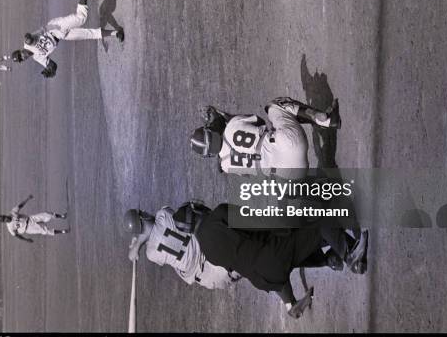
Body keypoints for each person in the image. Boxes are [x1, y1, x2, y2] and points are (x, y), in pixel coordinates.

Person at [194, 203, 368, 318]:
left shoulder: (208, 253)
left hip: (261, 279)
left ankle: (290, 304)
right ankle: (350, 257)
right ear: (198, 211)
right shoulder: (218, 214)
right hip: (273, 256)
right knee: (319, 223)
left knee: (289, 251)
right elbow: (258, 221)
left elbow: (239, 264)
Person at [190, 97, 341, 179]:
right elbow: (260, 122)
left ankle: (320, 186)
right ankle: (324, 119)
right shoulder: (231, 127)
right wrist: (224, 117)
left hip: (293, 174)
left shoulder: (225, 165)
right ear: (210, 130)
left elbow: (247, 174)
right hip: (292, 142)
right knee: (274, 106)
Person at [11, 0, 124, 79]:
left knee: (81, 18)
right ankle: (116, 33)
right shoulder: (37, 58)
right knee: (89, 35)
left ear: (20, 50)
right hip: (61, 36)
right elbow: (53, 65)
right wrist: (51, 71)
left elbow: (28, 38)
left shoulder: (28, 44)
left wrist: (28, 39)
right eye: (21, 59)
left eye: (20, 55)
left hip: (55, 28)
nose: (23, 57)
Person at [125, 203, 242, 290]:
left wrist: (137, 246)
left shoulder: (151, 254)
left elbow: (153, 237)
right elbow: (160, 223)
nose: (144, 210)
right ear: (143, 217)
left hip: (209, 276)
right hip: (215, 248)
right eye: (141, 212)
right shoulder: (163, 216)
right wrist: (137, 244)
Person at [0, 194, 68, 242]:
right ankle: (63, 231)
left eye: (4, 216)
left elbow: (20, 206)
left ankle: (62, 216)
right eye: (4, 219)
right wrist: (26, 240)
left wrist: (27, 199)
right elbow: (17, 236)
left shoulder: (12, 213)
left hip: (30, 218)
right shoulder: (10, 228)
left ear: (4, 215)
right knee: (45, 231)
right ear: (3, 222)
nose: (5, 218)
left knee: (46, 214)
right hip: (28, 228)